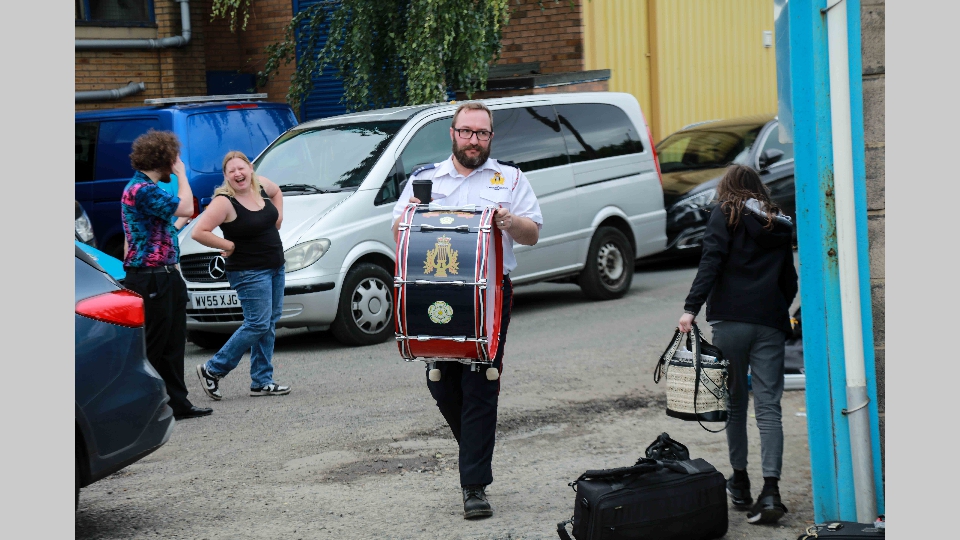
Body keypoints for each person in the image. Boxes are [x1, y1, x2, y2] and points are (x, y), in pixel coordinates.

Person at [391, 101, 542, 520]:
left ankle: (473, 486)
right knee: (441, 383)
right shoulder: (424, 178)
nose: (474, 140)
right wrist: (414, 212)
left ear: (491, 137)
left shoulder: (509, 178)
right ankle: (475, 450)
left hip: (490, 295)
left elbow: (532, 233)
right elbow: (398, 230)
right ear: (453, 134)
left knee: (480, 384)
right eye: (467, 132)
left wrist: (510, 222)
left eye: (482, 133)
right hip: (435, 295)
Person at [677, 164, 798, 525]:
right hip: (770, 322)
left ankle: (740, 481)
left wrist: (690, 309)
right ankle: (771, 490)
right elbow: (789, 279)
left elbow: (711, 261)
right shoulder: (778, 222)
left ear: (726, 188)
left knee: (734, 403)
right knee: (769, 406)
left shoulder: (724, 213)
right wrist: (776, 307)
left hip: (730, 321)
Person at [121, 130, 212, 421]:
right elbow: (185, 205)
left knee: (173, 344)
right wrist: (182, 174)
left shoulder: (147, 189)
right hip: (151, 278)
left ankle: (177, 404)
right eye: (175, 158)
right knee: (155, 345)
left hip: (164, 275)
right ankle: (147, 407)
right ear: (165, 158)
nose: (177, 164)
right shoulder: (141, 189)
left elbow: (159, 229)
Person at [192, 151, 291, 400]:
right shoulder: (224, 201)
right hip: (249, 272)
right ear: (226, 176)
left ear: (250, 169)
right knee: (257, 323)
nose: (238, 174)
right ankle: (212, 369)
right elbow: (199, 231)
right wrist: (228, 245)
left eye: (241, 168)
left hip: (275, 266)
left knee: (268, 323)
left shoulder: (261, 186)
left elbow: (277, 192)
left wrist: (278, 217)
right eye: (232, 171)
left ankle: (262, 381)